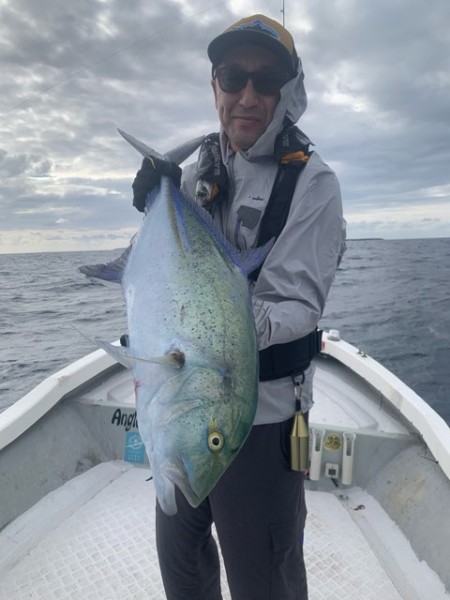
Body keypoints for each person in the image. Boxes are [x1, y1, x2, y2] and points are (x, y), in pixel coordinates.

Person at [132, 14, 346, 600]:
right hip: (183, 404)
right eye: (233, 77)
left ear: (288, 90)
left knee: (265, 581)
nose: (248, 96)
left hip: (263, 417)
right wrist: (152, 204)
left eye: (266, 80)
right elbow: (161, 271)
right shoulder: (197, 173)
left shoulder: (313, 184)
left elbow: (296, 305)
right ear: (215, 86)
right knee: (181, 565)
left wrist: (205, 325)